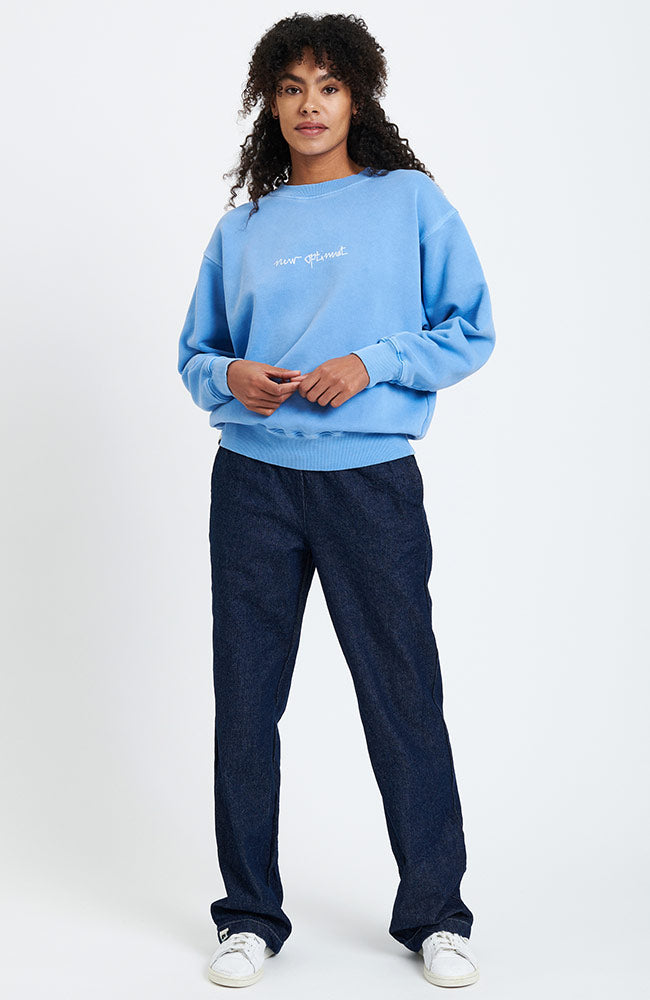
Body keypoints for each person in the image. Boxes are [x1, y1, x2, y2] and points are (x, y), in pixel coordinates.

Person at [177, 12, 495, 990]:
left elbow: (470, 328)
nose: (308, 105)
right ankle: (248, 917)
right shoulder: (243, 228)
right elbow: (196, 356)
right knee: (246, 706)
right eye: (290, 88)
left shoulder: (408, 202)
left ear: (357, 97)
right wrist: (233, 376)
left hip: (369, 482)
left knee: (403, 700)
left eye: (326, 86)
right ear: (268, 105)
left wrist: (372, 362)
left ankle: (435, 916)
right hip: (253, 484)